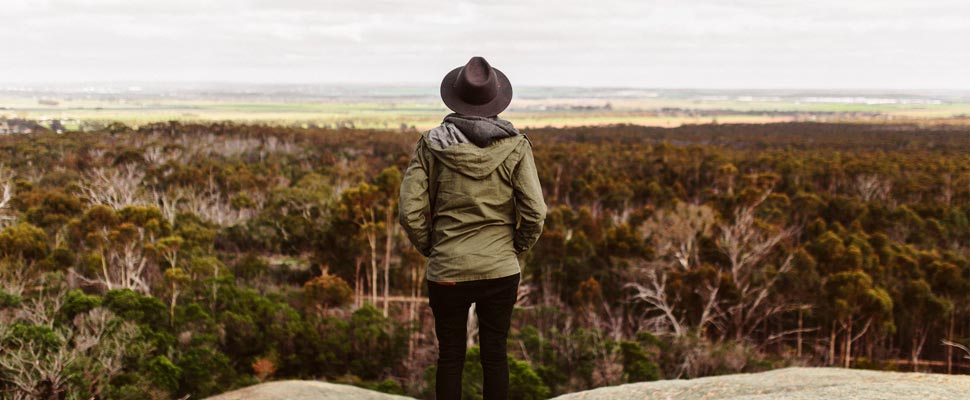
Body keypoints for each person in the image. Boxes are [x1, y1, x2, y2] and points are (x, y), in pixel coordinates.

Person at [398, 56, 547, 400]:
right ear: (495, 100)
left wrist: (432, 248)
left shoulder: (431, 144)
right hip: (499, 269)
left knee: (450, 357)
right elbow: (536, 212)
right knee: (495, 355)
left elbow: (410, 211)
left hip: (447, 269)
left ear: (455, 98)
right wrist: (513, 248)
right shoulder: (516, 145)